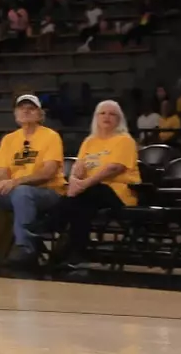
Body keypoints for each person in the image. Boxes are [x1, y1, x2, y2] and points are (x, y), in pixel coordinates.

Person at [0, 94, 65, 269]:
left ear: (40, 114)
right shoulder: (9, 139)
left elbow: (48, 172)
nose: (26, 111)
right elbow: (3, 172)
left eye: (31, 108)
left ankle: (25, 248)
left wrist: (16, 182)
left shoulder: (51, 136)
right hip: (18, 191)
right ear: (15, 114)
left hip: (49, 191)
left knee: (22, 192)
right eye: (22, 108)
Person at [45, 99, 140, 268]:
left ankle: (52, 224)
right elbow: (78, 167)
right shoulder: (89, 141)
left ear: (119, 119)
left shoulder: (125, 140)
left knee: (92, 192)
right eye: (102, 113)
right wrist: (74, 182)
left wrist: (84, 184)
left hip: (119, 194)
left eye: (112, 114)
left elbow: (114, 168)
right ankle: (78, 252)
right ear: (96, 117)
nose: (107, 117)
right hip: (90, 193)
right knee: (82, 206)